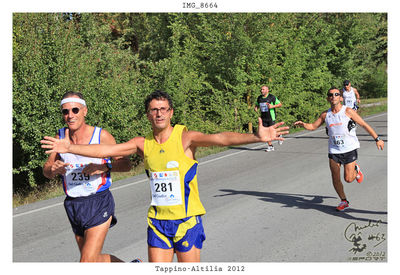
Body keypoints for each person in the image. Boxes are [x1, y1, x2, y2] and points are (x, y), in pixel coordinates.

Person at [41, 90, 289, 262]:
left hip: (186, 221)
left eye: (163, 109)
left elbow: (221, 138)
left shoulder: (185, 138)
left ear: (171, 112)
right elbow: (107, 151)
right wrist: (69, 148)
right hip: (157, 224)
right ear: (148, 115)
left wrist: (257, 137)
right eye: (153, 110)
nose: (158, 114)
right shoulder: (142, 143)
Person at [42, 91, 133, 262]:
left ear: (85, 111)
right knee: (94, 260)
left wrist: (105, 166)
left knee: (86, 262)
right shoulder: (60, 137)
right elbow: (46, 171)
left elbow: (127, 164)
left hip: (98, 201)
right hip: (74, 205)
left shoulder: (101, 136)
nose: (70, 115)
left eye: (75, 110)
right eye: (65, 111)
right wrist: (53, 169)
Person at [294, 87, 384, 211]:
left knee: (348, 179)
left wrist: (377, 138)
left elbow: (363, 124)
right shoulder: (326, 115)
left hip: (349, 149)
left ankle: (356, 171)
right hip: (334, 150)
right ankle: (343, 200)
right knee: (335, 178)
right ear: (328, 98)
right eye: (330, 95)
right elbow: (313, 126)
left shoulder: (348, 111)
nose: (333, 96)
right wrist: (304, 124)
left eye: (336, 94)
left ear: (340, 98)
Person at [254, 85, 283, 151]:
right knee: (266, 133)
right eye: (261, 89)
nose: (262, 91)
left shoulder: (272, 97)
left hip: (271, 117)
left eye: (263, 89)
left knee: (272, 131)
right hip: (263, 117)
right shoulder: (259, 98)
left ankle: (279, 135)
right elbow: (257, 104)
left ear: (267, 90)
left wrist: (273, 106)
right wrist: (256, 107)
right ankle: (270, 146)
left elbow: (280, 104)